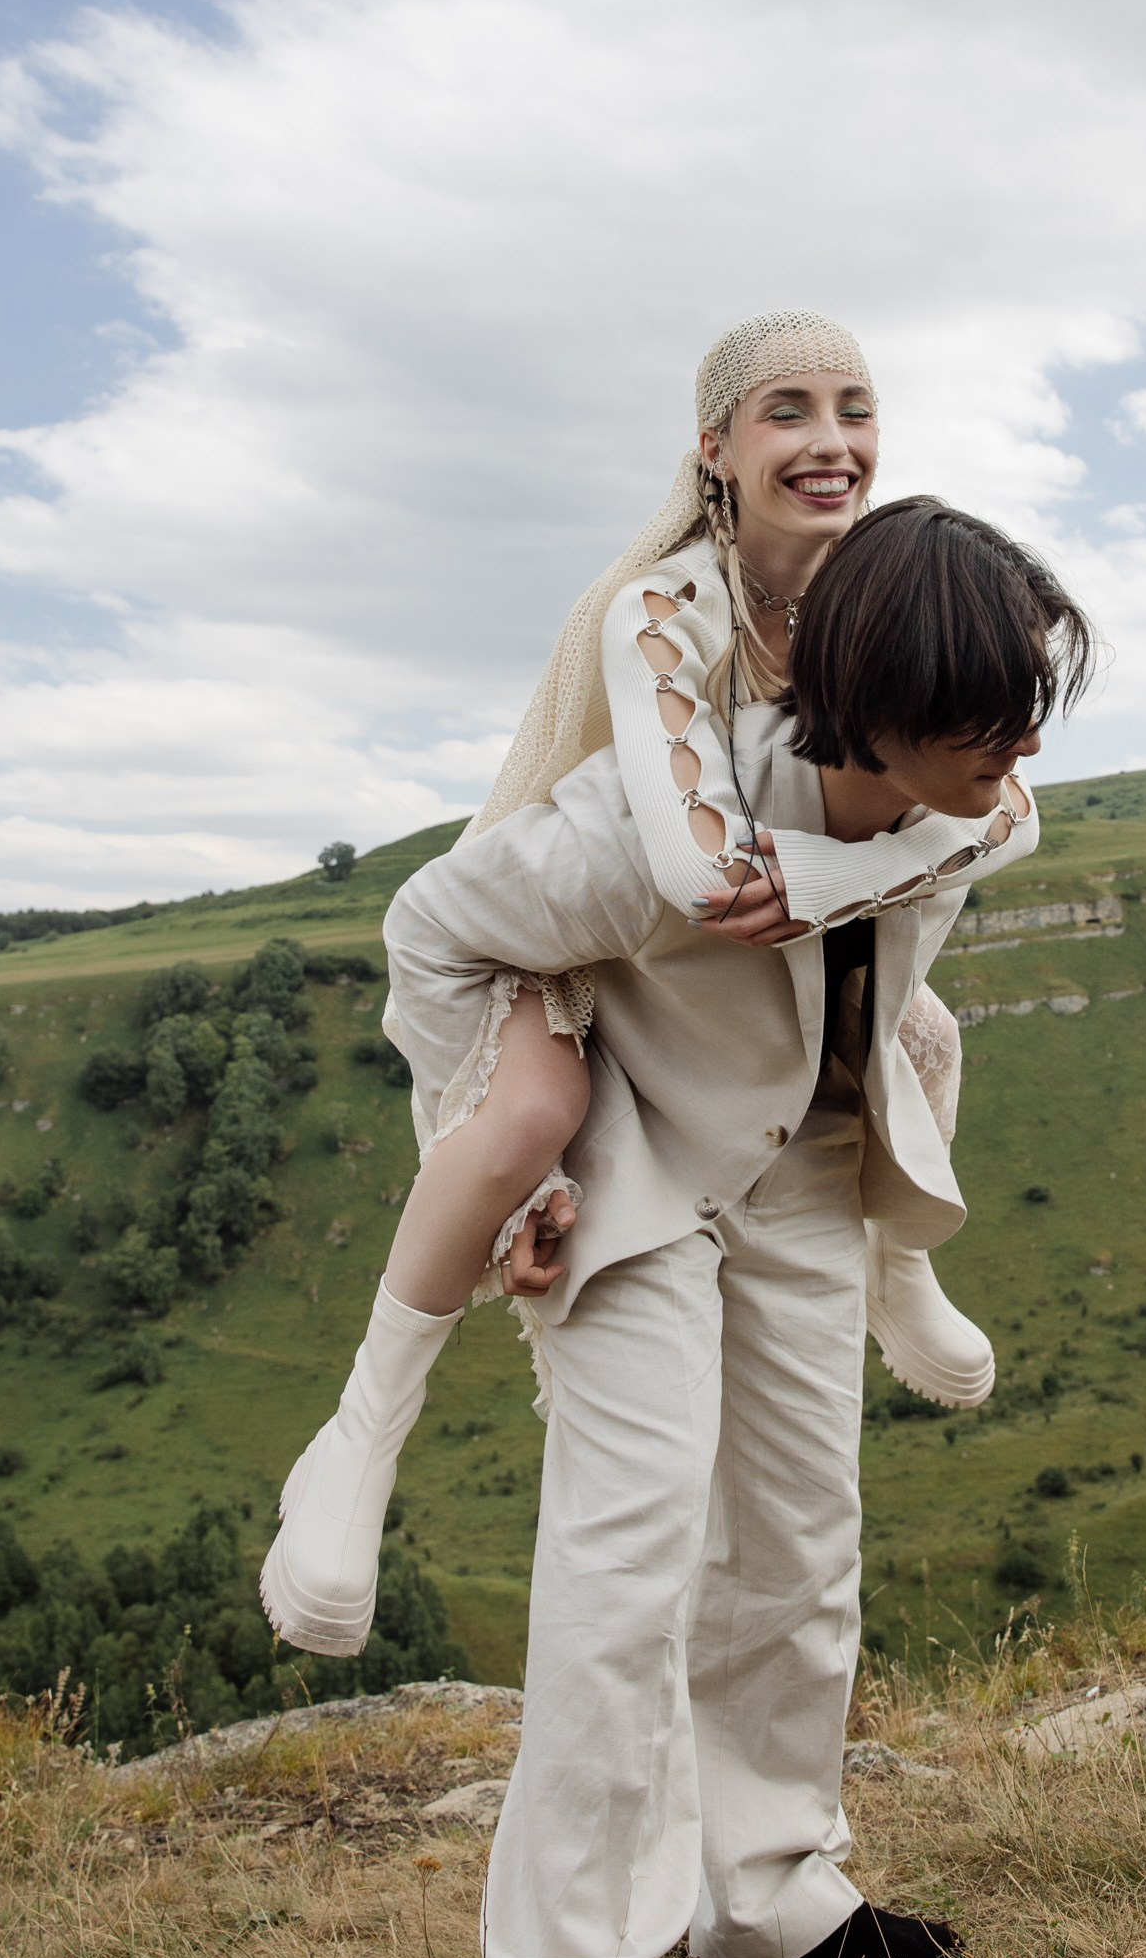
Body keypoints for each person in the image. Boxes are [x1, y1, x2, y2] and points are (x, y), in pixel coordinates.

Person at [380, 491, 1091, 1958]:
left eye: (1033, 696)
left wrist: (855, 870)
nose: (1023, 741)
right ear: (874, 701)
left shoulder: (975, 796)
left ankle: (771, 1892)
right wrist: (499, 1158)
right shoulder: (654, 830)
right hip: (634, 1177)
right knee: (625, 1562)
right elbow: (429, 928)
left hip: (803, 1167)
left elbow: (991, 826)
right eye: (992, 710)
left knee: (797, 1536)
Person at [262, 313, 1009, 1664]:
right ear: (715, 448)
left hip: (752, 999)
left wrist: (857, 873)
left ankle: (894, 1265)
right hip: (573, 936)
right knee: (528, 1118)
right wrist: (895, 845)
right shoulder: (665, 608)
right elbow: (705, 871)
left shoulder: (881, 597)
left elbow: (1004, 802)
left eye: (856, 407)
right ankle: (362, 1432)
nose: (834, 442)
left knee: (917, 1039)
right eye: (788, 410)